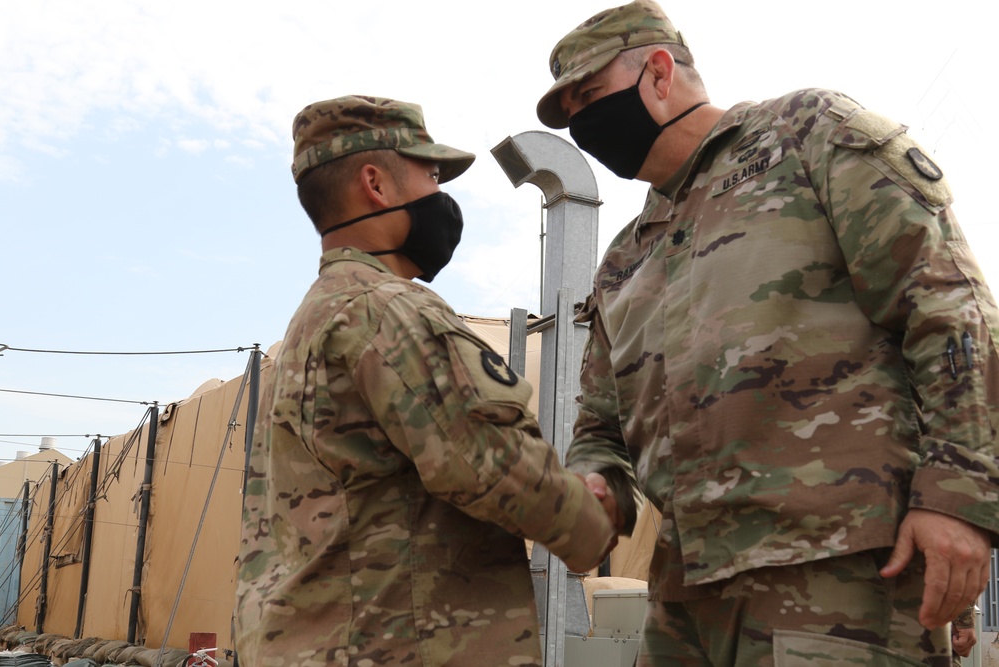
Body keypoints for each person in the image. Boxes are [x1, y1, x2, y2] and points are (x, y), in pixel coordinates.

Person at [535, 1, 999, 665]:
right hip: (683, 601)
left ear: (660, 73)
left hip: (840, 574)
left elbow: (947, 304)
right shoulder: (623, 259)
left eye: (590, 96)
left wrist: (959, 498)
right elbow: (602, 431)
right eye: (569, 112)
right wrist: (594, 481)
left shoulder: (810, 136)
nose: (583, 124)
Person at [234, 95, 617, 667]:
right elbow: (488, 461)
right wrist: (594, 519)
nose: (442, 199)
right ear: (375, 184)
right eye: (432, 177)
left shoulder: (315, 319)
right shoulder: (385, 311)